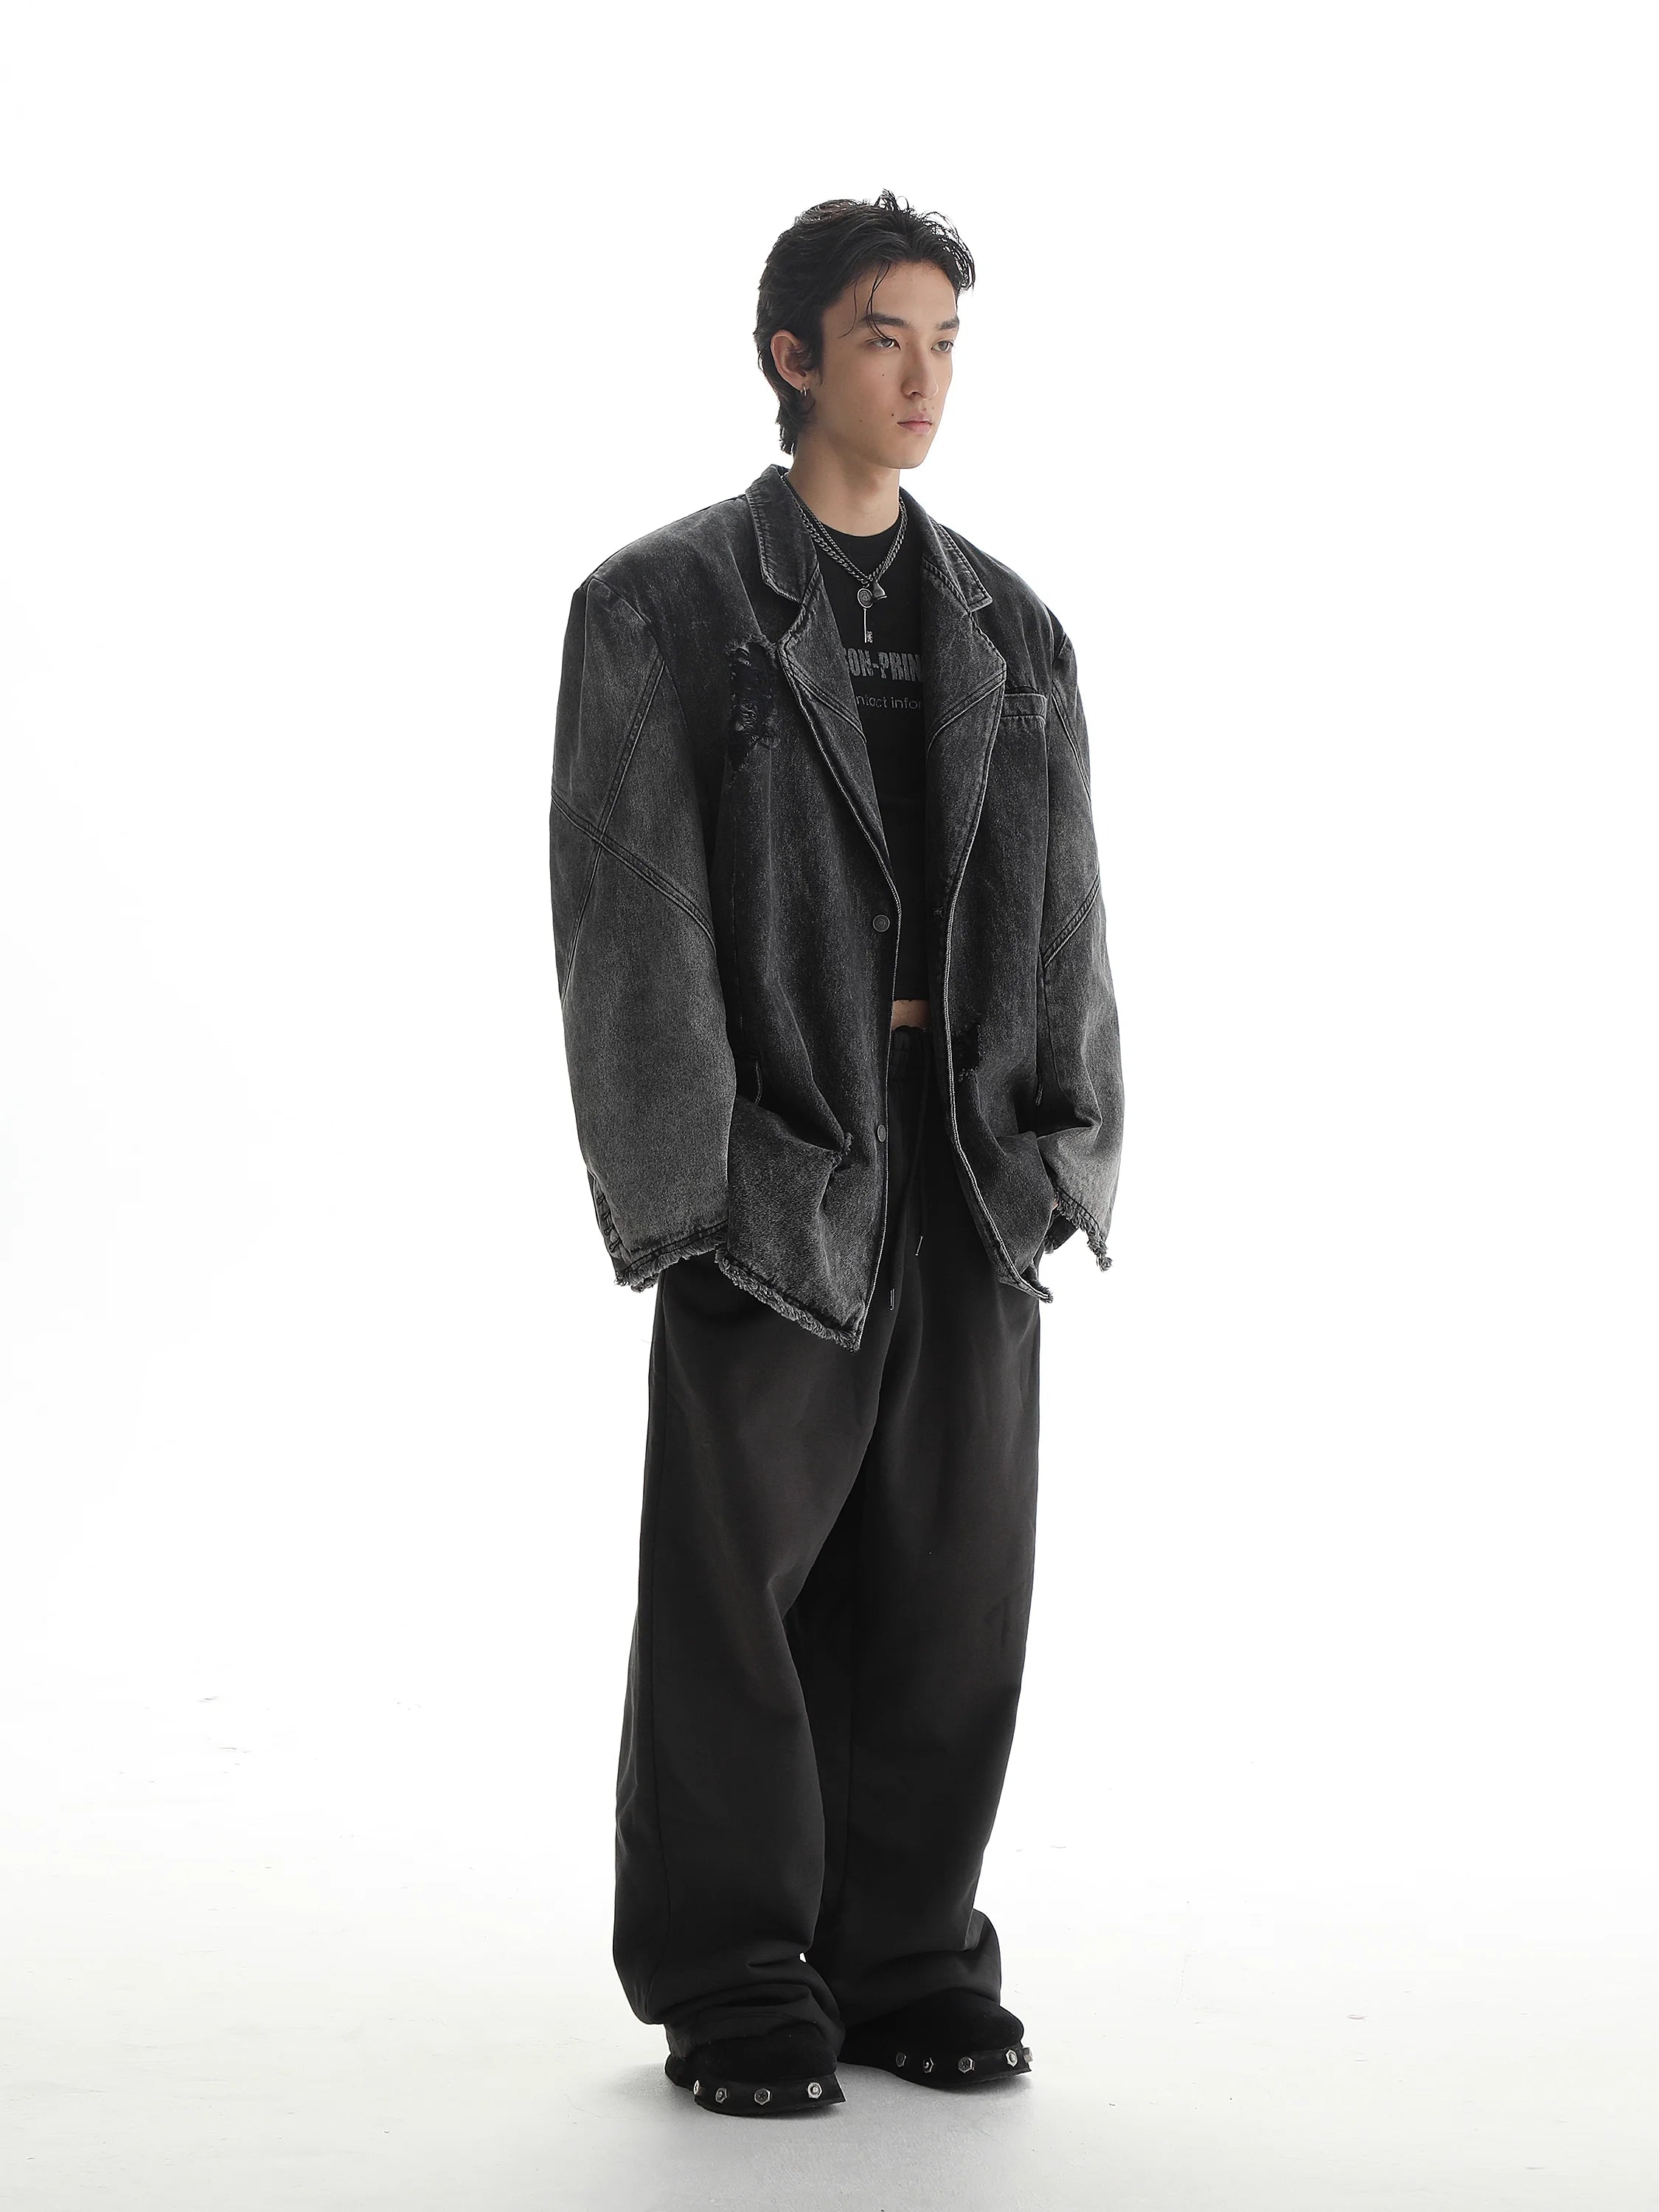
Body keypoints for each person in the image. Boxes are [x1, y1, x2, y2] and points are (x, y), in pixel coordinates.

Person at [549, 192, 1124, 2118]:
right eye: (886, 337)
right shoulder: (661, 608)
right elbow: (625, 922)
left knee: (953, 1578)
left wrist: (1063, 1151)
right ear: (792, 357)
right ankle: (732, 1976)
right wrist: (689, 1189)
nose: (925, 378)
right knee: (738, 1590)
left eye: (947, 341)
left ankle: (904, 1957)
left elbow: (1067, 911)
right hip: (776, 1156)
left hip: (967, 1160)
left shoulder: (1011, 628)